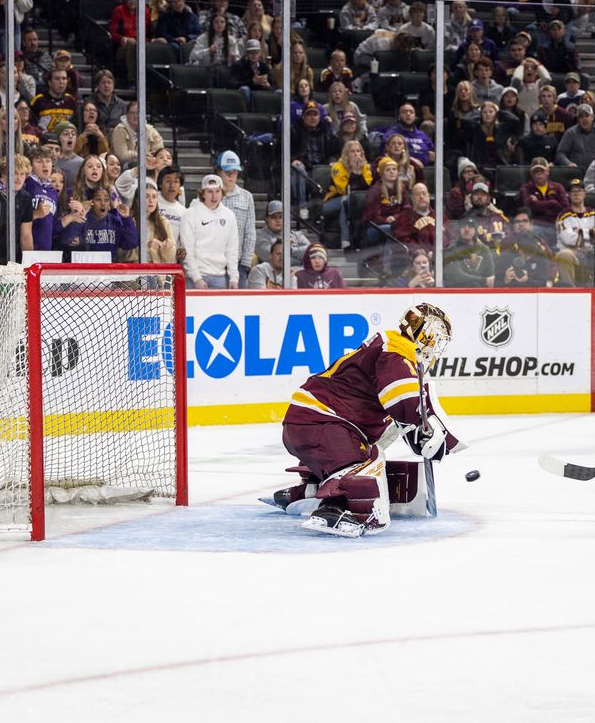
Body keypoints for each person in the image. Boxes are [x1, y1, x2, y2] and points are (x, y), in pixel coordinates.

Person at [274, 303, 461, 537]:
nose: (436, 346)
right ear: (424, 332)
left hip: (315, 423)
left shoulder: (394, 351)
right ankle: (332, 508)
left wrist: (420, 433)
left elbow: (396, 418)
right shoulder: (397, 349)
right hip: (322, 422)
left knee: (371, 449)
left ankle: (310, 489)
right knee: (367, 464)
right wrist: (423, 425)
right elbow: (401, 398)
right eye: (435, 338)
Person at [182, 174, 240, 289]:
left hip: (220, 277)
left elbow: (232, 249)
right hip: (194, 278)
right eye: (209, 192)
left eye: (217, 191)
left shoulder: (229, 215)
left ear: (222, 192)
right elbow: (187, 249)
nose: (214, 196)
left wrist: (234, 277)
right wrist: (197, 278)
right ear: (202, 193)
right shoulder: (190, 214)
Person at [215, 151, 256, 287]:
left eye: (235, 172)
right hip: (213, 262)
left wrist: (245, 263)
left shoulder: (247, 196)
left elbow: (250, 232)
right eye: (228, 172)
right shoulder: (209, 195)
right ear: (219, 172)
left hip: (238, 263)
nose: (232, 176)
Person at [556, 179, 595, 286]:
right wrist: (592, 233)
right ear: (568, 195)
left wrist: (579, 233)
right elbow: (568, 239)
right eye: (573, 192)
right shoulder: (563, 216)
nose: (576, 194)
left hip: (592, 253)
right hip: (574, 254)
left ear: (584, 193)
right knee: (564, 255)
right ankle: (570, 290)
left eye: (579, 190)